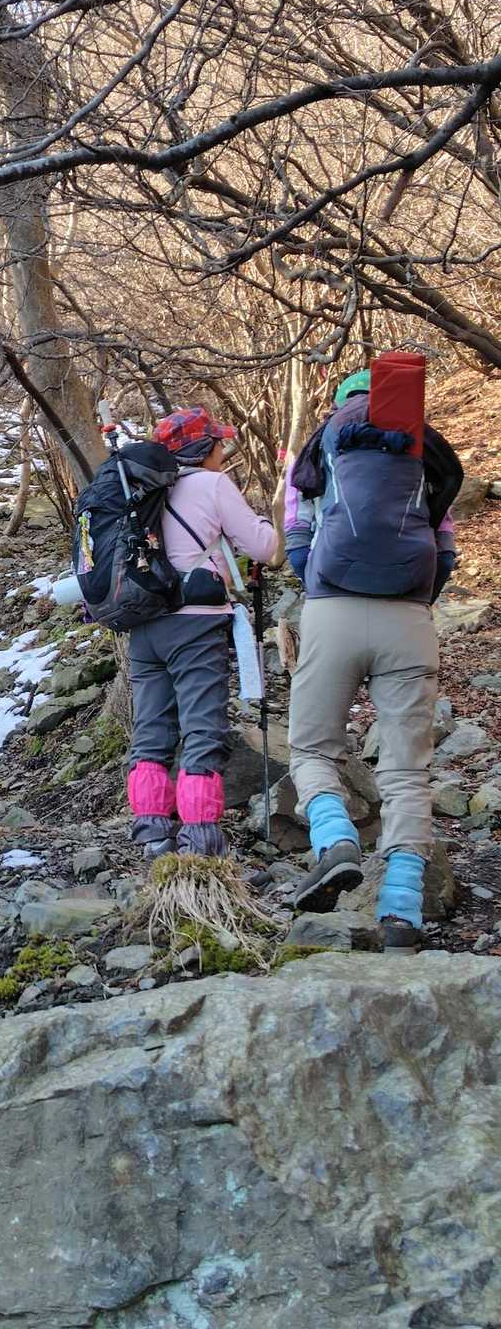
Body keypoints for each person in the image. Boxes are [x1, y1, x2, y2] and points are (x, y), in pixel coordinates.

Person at [284, 363, 462, 952]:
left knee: (313, 748)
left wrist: (319, 585)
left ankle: (335, 839)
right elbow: (445, 548)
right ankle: (401, 915)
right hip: (408, 618)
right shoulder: (422, 448)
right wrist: (417, 599)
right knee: (407, 771)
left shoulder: (324, 442)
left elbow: (295, 535)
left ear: (340, 404)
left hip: (332, 610)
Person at [128, 407, 279, 861]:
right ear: (204, 448)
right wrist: (269, 522)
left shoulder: (138, 487)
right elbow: (264, 548)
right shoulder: (211, 484)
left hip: (144, 623)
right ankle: (200, 842)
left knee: (151, 730)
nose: (222, 451)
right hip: (195, 622)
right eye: (218, 444)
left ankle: (153, 835)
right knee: (202, 729)